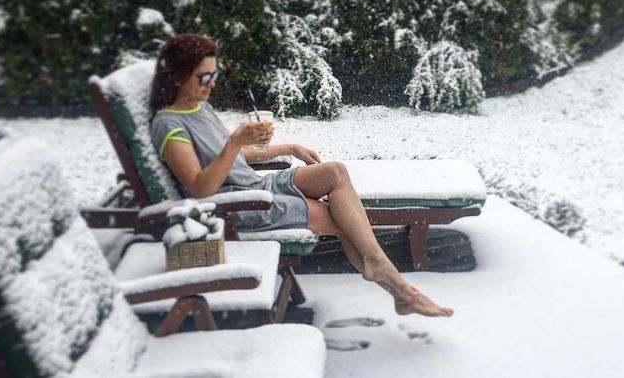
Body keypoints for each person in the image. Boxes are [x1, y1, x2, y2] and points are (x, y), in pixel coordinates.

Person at [149, 34, 453, 318]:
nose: (211, 83)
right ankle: (400, 290)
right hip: (238, 204)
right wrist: (234, 142)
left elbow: (232, 156)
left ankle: (382, 271)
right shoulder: (169, 124)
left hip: (256, 184)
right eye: (204, 77)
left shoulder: (198, 107)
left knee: (335, 171)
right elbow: (201, 189)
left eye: (213, 75)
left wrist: (289, 147)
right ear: (178, 75)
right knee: (341, 220)